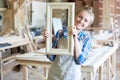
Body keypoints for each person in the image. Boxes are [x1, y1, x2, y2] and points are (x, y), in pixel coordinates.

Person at [43, 5, 95, 80]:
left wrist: (75, 38)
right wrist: (47, 39)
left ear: (88, 25)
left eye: (85, 20)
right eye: (80, 17)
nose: (81, 21)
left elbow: (80, 60)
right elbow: (51, 57)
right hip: (55, 74)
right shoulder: (60, 33)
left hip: (72, 76)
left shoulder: (86, 38)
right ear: (74, 16)